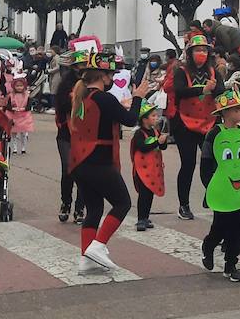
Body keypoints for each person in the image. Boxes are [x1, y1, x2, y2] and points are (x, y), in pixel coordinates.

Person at [68, 52, 150, 273]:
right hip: (99, 161)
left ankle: (86, 259)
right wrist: (138, 96)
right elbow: (131, 120)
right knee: (123, 203)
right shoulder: (104, 98)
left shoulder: (82, 97)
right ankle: (98, 245)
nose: (113, 77)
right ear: (103, 76)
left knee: (94, 209)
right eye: (111, 73)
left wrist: (125, 103)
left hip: (79, 163)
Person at [200, 90, 240, 282]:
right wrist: (210, 186)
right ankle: (208, 246)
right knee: (221, 227)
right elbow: (207, 163)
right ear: (225, 113)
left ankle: (230, 265)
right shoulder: (214, 134)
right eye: (237, 109)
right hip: (222, 190)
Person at [163, 33, 219, 220]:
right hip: (185, 123)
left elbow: (221, 91)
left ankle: (212, 195)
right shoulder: (181, 71)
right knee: (187, 164)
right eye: (197, 50)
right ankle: (183, 205)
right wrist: (202, 90)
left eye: (204, 50)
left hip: (209, 122)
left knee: (212, 162)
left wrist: (217, 88)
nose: (201, 53)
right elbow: (179, 91)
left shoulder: (213, 71)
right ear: (190, 53)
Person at [54, 51, 87, 223]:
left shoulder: (91, 84)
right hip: (66, 134)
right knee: (68, 169)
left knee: (83, 171)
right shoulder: (65, 85)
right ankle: (65, 203)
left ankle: (80, 208)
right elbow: (61, 107)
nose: (82, 69)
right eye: (79, 66)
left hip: (85, 135)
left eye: (85, 66)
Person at [130, 101, 168, 232]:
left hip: (153, 169)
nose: (156, 118)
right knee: (144, 194)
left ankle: (146, 217)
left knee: (150, 193)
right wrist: (157, 141)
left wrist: (163, 141)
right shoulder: (139, 133)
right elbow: (143, 147)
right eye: (153, 116)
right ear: (144, 119)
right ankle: (140, 218)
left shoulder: (154, 131)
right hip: (142, 169)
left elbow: (162, 147)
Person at [6, 74, 33, 155]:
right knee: (13, 133)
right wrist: (12, 109)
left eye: (21, 86)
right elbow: (8, 106)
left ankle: (23, 148)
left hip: (24, 116)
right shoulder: (11, 96)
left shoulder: (27, 95)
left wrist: (24, 109)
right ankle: (14, 148)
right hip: (14, 116)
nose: (19, 87)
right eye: (17, 86)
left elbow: (29, 105)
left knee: (23, 133)